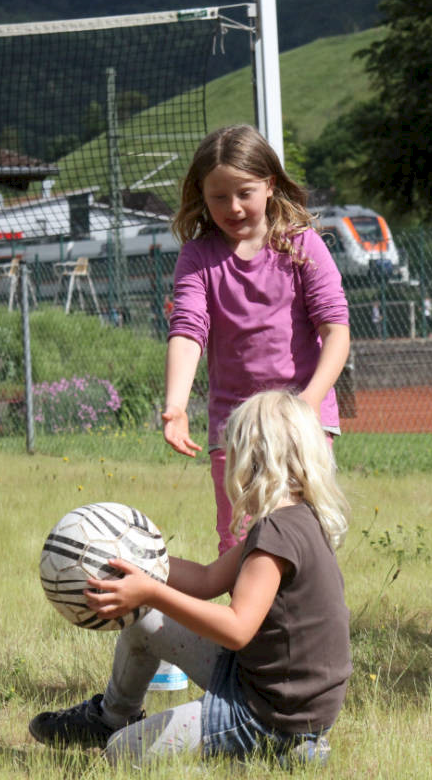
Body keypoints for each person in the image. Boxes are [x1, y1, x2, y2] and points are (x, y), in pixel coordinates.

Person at [28, 390, 352, 766]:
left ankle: (286, 748)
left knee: (122, 752)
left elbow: (237, 628)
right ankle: (111, 717)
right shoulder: (299, 519)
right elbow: (207, 578)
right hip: (275, 690)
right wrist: (139, 558)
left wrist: (151, 591)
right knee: (143, 620)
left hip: (270, 713)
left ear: (253, 461)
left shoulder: (275, 535)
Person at [162, 124, 351, 555]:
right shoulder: (197, 257)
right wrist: (176, 406)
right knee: (240, 542)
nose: (233, 207)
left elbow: (336, 331)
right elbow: (188, 331)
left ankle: (305, 604)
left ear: (269, 185)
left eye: (244, 192)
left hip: (302, 421)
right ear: (201, 195)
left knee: (305, 536)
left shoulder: (302, 246)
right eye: (218, 197)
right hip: (235, 426)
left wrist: (306, 405)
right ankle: (243, 604)